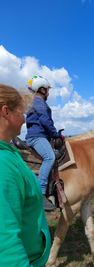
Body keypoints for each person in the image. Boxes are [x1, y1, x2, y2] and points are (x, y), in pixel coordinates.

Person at [0, 84, 51, 266]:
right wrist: (53, 133)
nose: (23, 120)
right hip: (28, 260)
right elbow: (5, 244)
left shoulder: (10, 152)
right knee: (50, 156)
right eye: (21, 113)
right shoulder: (3, 165)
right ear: (6, 112)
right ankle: (45, 188)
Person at [25, 75, 62, 211]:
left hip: (39, 135)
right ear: (41, 89)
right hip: (37, 137)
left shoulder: (35, 101)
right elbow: (45, 120)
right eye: (47, 89)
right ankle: (41, 192)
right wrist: (55, 134)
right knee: (50, 157)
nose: (48, 92)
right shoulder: (39, 102)